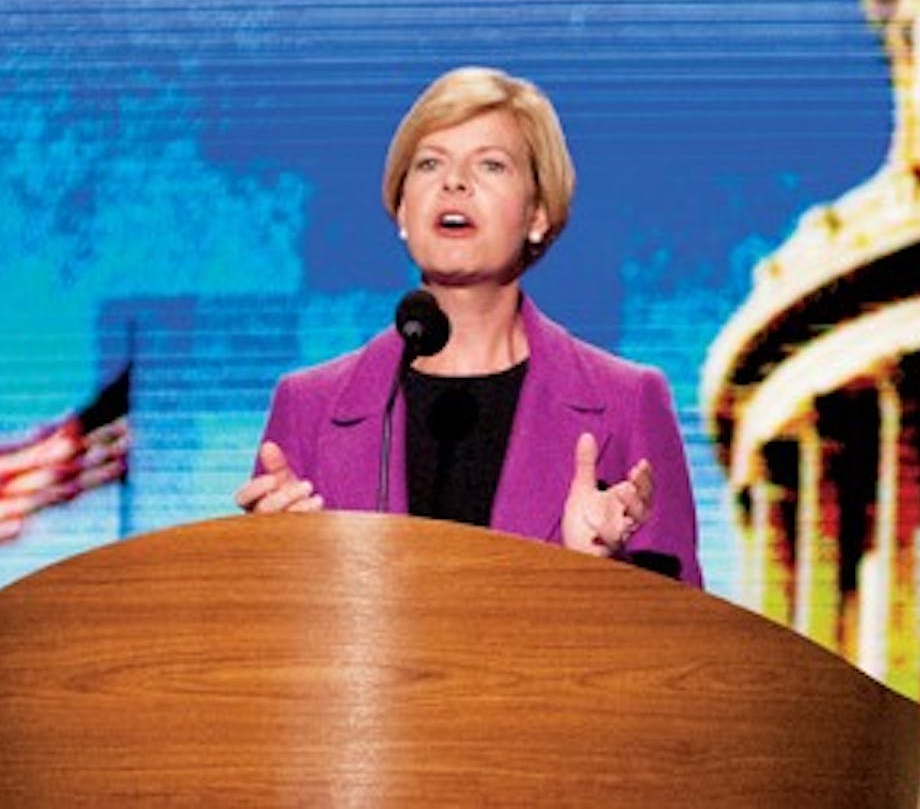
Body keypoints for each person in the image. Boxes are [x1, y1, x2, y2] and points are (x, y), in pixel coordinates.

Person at [234, 66, 702, 586]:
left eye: (491, 165)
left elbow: (688, 639)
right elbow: (266, 642)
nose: (453, 182)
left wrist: (597, 573)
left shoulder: (628, 401)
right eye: (430, 163)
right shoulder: (308, 408)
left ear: (538, 214)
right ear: (403, 210)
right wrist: (276, 566)